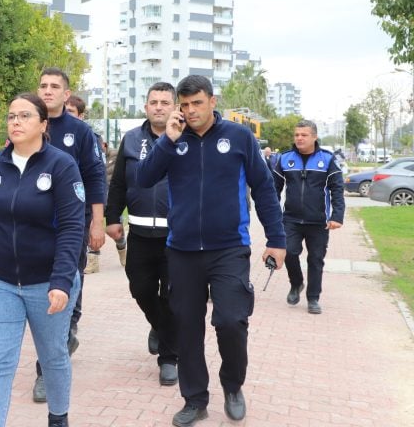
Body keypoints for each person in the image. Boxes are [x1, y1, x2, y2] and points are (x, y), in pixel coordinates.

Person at [136, 75, 286, 426]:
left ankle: (233, 386)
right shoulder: (173, 140)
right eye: (184, 106)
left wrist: (277, 240)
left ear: (212, 101)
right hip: (182, 250)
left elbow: (263, 187)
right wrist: (167, 141)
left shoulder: (239, 137)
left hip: (229, 247)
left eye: (197, 104)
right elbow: (143, 179)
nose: (190, 112)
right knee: (187, 328)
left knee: (231, 321)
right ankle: (195, 399)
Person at [0, 93, 84, 427]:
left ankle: (58, 418)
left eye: (25, 116)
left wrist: (60, 281)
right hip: (0, 280)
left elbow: (73, 227)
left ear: (43, 124)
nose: (15, 122)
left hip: (48, 282)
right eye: (11, 116)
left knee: (53, 355)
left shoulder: (61, 165)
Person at [33, 67, 106, 402]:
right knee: (41, 297)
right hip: (33, 228)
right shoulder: (27, 123)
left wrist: (97, 222)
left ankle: (45, 372)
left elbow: (94, 178)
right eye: (43, 86)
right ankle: (64, 337)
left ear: (66, 94)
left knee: (64, 291)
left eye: (55, 87)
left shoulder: (80, 132)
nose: (48, 91)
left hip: (70, 227)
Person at [105, 82, 179, 386]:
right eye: (153, 102)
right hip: (139, 235)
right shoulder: (132, 140)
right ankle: (160, 326)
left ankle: (169, 357)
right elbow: (120, 182)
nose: (159, 107)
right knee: (141, 290)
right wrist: (112, 217)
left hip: (176, 238)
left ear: (174, 106)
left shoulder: (186, 140)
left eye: (165, 102)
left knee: (173, 297)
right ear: (145, 107)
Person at [271, 119, 345, 314]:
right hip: (291, 219)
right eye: (296, 135)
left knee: (316, 259)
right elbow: (273, 190)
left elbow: (337, 188)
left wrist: (337, 215)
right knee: (289, 252)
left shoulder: (327, 159)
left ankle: (313, 298)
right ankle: (296, 284)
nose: (299, 138)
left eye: (304, 135)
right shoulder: (285, 159)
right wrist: (273, 216)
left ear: (314, 137)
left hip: (318, 221)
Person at [64, 94, 118, 273]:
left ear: (81, 116)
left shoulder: (90, 137)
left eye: (71, 111)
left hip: (84, 204)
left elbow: (97, 176)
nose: (66, 114)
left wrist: (98, 219)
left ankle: (95, 258)